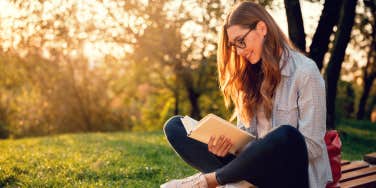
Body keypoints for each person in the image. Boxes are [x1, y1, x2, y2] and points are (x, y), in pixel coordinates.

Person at [161, 1, 332, 188]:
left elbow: (313, 147)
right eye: (235, 45)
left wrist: (263, 152)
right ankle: (236, 180)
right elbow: (245, 140)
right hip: (253, 173)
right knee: (176, 127)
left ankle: (208, 181)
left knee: (287, 136)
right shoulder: (249, 76)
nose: (240, 51)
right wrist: (228, 146)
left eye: (241, 41)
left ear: (261, 28)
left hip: (291, 177)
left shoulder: (305, 72)